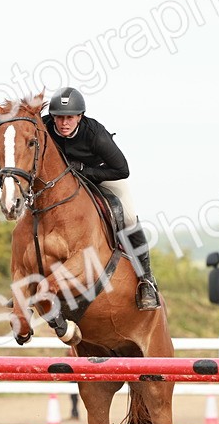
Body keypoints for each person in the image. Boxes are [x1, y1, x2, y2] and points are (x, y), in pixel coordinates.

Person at [43, 87, 160, 311]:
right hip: (64, 184)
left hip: (103, 175)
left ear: (80, 116)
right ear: (53, 117)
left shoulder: (95, 134)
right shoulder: (45, 126)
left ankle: (146, 280)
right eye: (59, 117)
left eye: (70, 117)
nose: (64, 123)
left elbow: (122, 170)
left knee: (127, 217)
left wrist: (84, 171)